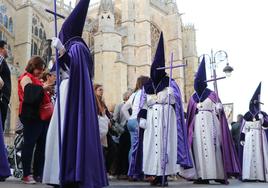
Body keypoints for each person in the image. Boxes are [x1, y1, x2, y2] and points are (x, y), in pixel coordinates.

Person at [42, 0, 108, 187]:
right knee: (59, 131)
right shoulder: (73, 46)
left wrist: (62, 52)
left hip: (72, 93)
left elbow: (75, 68)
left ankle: (69, 173)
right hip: (65, 91)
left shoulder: (77, 46)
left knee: (69, 129)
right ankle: (58, 173)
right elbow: (60, 71)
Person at [129, 33, 192, 186]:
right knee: (151, 146)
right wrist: (142, 119)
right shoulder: (147, 85)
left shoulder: (171, 83)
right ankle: (154, 175)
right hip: (151, 119)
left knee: (166, 144)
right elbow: (143, 103)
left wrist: (172, 96)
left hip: (166, 118)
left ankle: (164, 176)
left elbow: (177, 102)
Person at [186, 57, 240, 184]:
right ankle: (201, 176)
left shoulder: (212, 94)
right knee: (198, 148)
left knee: (214, 147)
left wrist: (218, 108)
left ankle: (219, 174)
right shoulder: (193, 97)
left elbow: (219, 113)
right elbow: (190, 115)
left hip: (211, 123)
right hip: (197, 125)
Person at [18, 56, 52, 184]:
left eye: (42, 69)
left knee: (41, 146)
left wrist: (46, 90)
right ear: (33, 66)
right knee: (29, 144)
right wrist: (44, 88)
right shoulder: (26, 77)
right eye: (39, 69)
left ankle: (38, 173)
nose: (41, 72)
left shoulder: (37, 80)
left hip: (41, 116)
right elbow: (29, 91)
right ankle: (26, 174)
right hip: (31, 116)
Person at [240, 82, 268, 182]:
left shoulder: (263, 114)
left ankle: (260, 176)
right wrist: (242, 138)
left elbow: (266, 126)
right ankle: (249, 176)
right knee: (249, 156)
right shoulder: (247, 115)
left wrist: (263, 120)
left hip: (259, 137)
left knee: (259, 155)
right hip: (248, 138)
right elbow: (243, 128)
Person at [122, 76, 149, 166]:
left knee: (133, 147)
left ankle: (132, 171)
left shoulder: (133, 95)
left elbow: (124, 108)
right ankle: (138, 171)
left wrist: (129, 118)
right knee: (141, 147)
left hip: (131, 122)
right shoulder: (146, 94)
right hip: (139, 121)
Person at [114, 91, 132, 179]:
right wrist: (119, 130)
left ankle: (129, 171)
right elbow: (115, 119)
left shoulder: (133, 106)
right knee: (123, 151)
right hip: (123, 131)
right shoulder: (119, 106)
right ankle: (121, 172)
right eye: (129, 96)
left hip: (131, 130)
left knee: (130, 150)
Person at [0, 40, 11, 131]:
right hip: (2, 98)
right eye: (6, 48)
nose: (8, 50)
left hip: (4, 98)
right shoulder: (0, 58)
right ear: (1, 49)